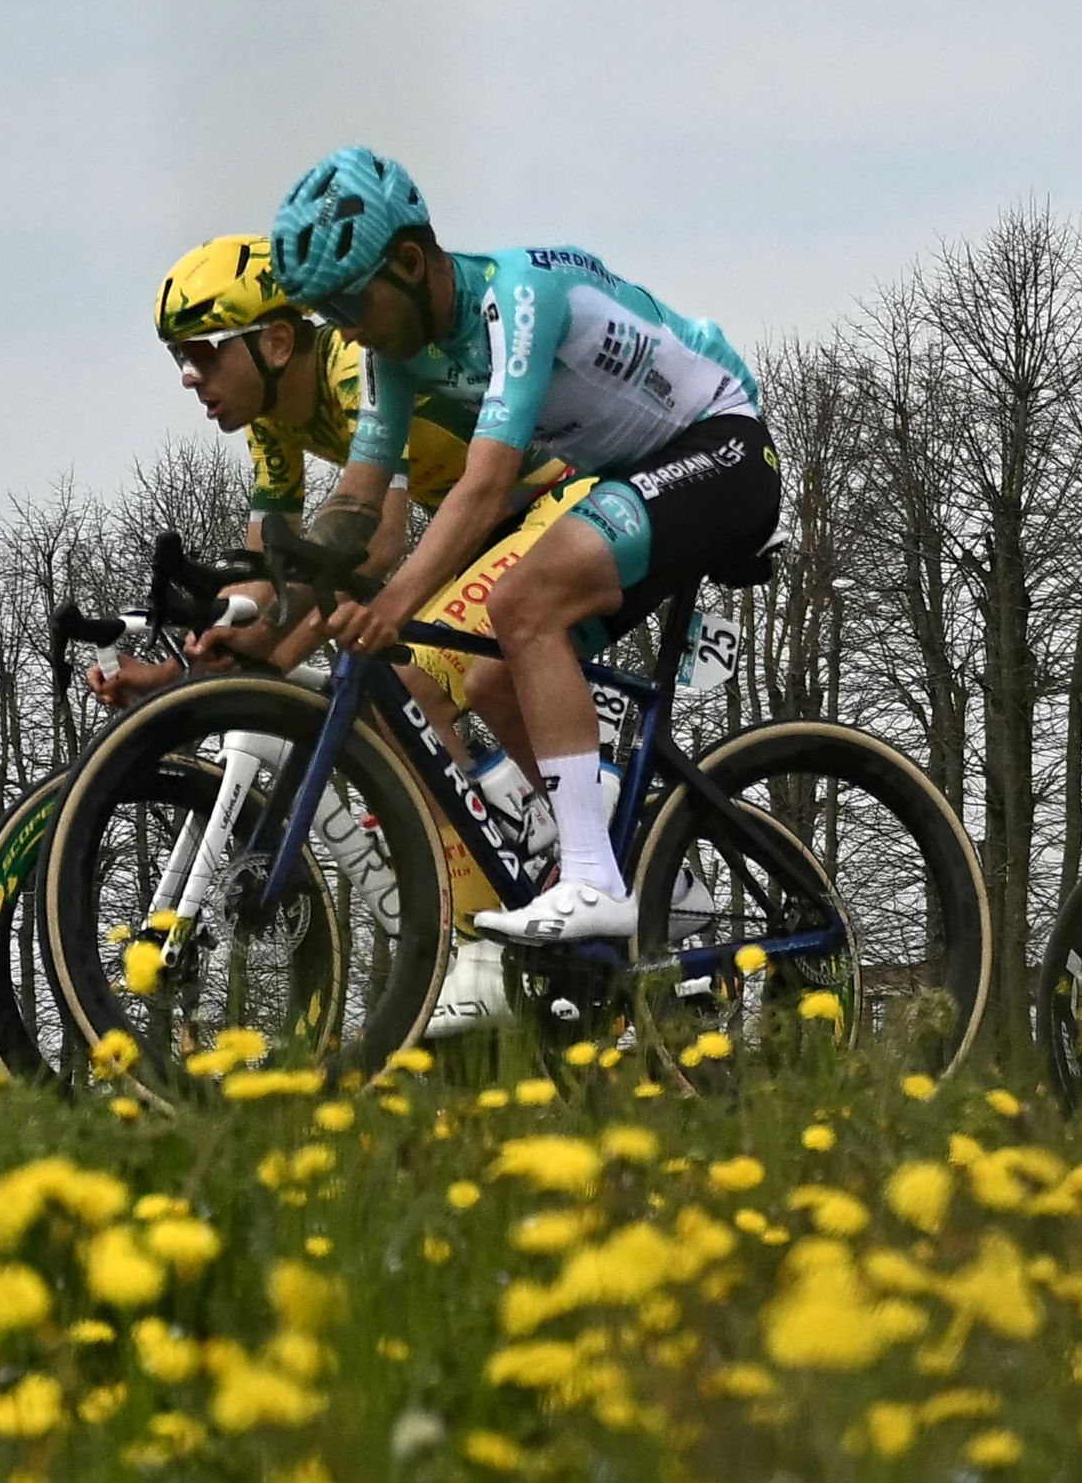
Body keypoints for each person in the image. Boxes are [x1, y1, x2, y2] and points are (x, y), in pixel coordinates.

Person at [264, 145, 783, 961]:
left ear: (408, 262)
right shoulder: (390, 356)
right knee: (496, 678)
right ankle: (638, 868)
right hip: (632, 477)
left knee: (523, 603)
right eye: (329, 315)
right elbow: (357, 503)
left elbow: (484, 484)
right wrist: (270, 603)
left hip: (722, 445)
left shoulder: (519, 296)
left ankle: (594, 880)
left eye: (351, 305)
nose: (346, 330)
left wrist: (394, 606)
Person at [107, 237, 473, 715]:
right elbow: (261, 576)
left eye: (201, 351)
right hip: (475, 534)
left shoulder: (352, 364)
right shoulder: (269, 419)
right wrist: (180, 673)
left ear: (277, 342)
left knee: (404, 702)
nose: (189, 377)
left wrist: (267, 659)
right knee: (385, 708)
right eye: (180, 357)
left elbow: (377, 545)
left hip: (540, 508)